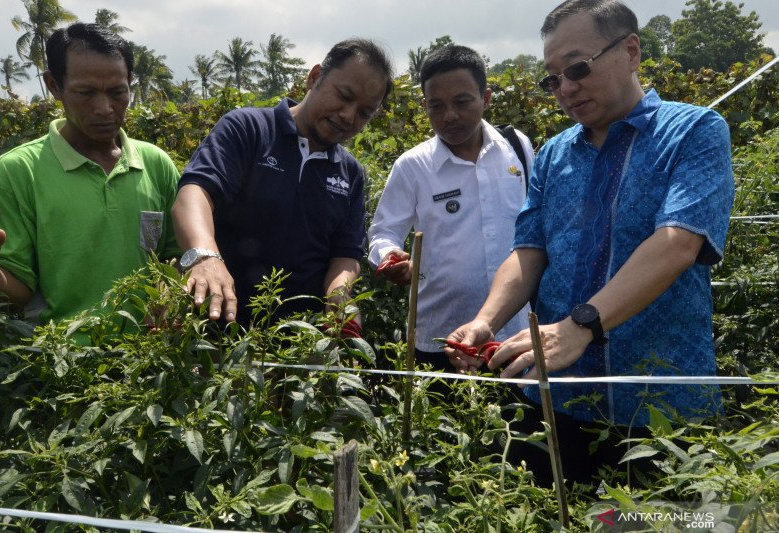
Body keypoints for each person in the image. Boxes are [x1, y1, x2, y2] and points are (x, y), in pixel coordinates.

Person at [446, 0, 735, 485]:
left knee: (657, 520)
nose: (566, 88)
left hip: (657, 405)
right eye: (552, 78)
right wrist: (484, 320)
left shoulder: (694, 131)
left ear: (631, 51)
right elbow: (529, 251)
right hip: (555, 398)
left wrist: (581, 325)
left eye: (577, 68)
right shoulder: (557, 153)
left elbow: (678, 242)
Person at [172, 39, 394, 327]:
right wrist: (204, 256)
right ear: (315, 77)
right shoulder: (249, 129)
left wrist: (339, 294)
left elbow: (346, 253)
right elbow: (195, 192)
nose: (348, 116)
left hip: (300, 344)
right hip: (218, 325)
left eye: (365, 112)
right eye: (343, 96)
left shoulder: (350, 172)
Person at [0, 23, 180, 324]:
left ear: (130, 82)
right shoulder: (19, 171)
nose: (104, 108)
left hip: (149, 361)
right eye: (85, 93)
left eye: (117, 92)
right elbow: (18, 287)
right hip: (61, 361)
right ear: (54, 86)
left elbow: (174, 256)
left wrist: (167, 295)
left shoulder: (155, 163)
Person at [368, 44, 533, 371]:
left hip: (515, 334)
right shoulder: (412, 167)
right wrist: (390, 257)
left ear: (485, 99)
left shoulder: (517, 148)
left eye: (461, 102)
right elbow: (384, 231)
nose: (450, 116)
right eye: (437, 106)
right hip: (441, 340)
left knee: (520, 422)